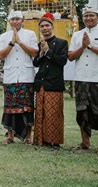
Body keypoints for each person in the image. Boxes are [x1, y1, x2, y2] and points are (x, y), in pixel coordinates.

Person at [68, 6, 98, 155]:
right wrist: (82, 47)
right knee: (82, 111)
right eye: (86, 16)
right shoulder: (77, 35)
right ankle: (85, 142)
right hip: (81, 77)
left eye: (91, 15)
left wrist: (90, 46)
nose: (88, 18)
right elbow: (70, 56)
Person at [0, 11, 38, 144]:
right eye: (12, 19)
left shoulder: (30, 34)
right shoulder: (4, 36)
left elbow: (35, 52)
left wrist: (20, 42)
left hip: (26, 76)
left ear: (22, 20)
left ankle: (28, 136)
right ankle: (10, 135)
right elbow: (0, 56)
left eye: (17, 19)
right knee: (10, 107)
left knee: (27, 108)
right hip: (10, 76)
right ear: (9, 21)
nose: (15, 22)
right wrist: (11, 44)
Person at [32, 13, 68, 148]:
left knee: (53, 114)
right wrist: (41, 53)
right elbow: (36, 63)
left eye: (47, 25)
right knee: (40, 113)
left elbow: (62, 61)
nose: (45, 28)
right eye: (42, 26)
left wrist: (48, 52)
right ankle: (41, 140)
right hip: (41, 83)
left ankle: (53, 141)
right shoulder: (39, 44)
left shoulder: (62, 43)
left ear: (52, 27)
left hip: (54, 83)